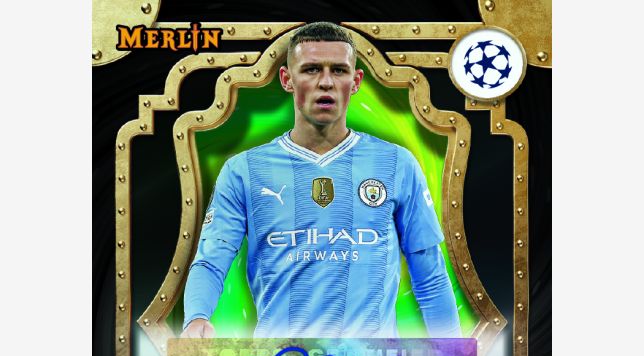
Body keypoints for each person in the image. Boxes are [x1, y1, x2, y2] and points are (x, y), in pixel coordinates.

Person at [182, 22, 461, 339]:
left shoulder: (397, 163)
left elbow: (430, 275)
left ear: (355, 82)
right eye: (311, 69)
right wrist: (196, 317)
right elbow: (212, 259)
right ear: (287, 79)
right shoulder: (243, 170)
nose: (325, 82)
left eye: (339, 70)